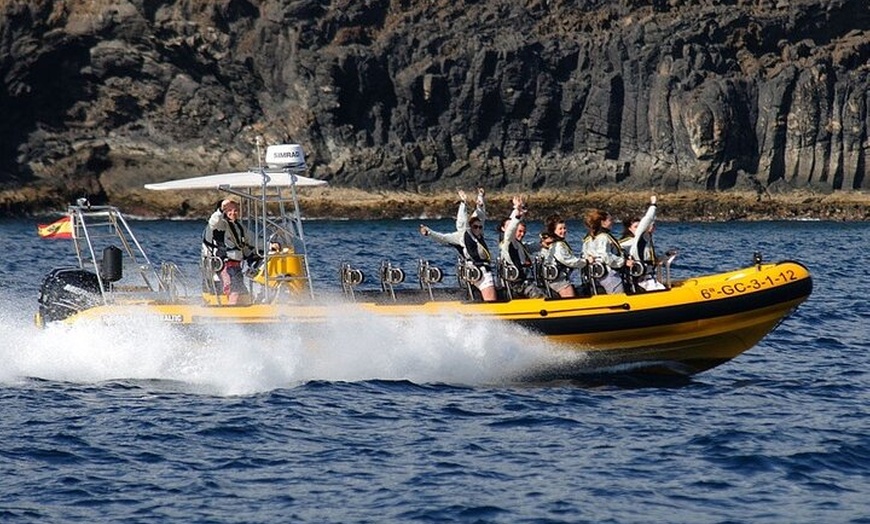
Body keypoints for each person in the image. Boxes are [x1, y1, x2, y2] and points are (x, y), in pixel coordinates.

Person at [419, 188, 497, 301]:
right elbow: (443, 237)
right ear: (470, 227)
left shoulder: (479, 232)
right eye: (475, 227)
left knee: (491, 297)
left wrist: (480, 198)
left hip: (484, 270)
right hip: (474, 272)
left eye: (480, 227)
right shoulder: (461, 235)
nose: (479, 229)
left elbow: (481, 216)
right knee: (488, 297)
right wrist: (429, 232)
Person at [202, 198, 260, 305]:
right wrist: (221, 209)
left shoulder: (238, 227)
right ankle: (229, 316)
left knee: (243, 294)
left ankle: (246, 313)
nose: (233, 213)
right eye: (229, 210)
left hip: (236, 267)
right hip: (223, 266)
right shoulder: (218, 225)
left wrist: (272, 245)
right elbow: (214, 221)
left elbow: (254, 241)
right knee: (235, 290)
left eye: (235, 210)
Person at [498, 195, 546, 299]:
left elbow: (513, 224)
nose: (522, 234)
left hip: (526, 281)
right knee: (540, 296)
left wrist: (520, 209)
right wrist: (516, 211)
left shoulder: (519, 245)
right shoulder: (507, 243)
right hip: (518, 285)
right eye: (519, 231)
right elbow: (511, 229)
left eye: (524, 232)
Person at [619, 195, 666, 292]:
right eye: (636, 227)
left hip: (648, 275)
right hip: (642, 278)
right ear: (629, 229)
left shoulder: (645, 239)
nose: (651, 227)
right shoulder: (637, 237)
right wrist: (653, 204)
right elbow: (648, 218)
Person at [582, 208, 630, 294]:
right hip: (608, 275)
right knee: (619, 298)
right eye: (610, 220)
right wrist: (624, 261)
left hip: (595, 275)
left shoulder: (588, 238)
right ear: (602, 222)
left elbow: (585, 254)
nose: (612, 222)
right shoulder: (603, 237)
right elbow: (606, 256)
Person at [540, 213, 587, 298]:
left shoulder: (554, 243)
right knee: (570, 299)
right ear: (553, 230)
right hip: (558, 281)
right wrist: (585, 262)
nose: (563, 231)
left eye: (564, 228)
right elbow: (568, 261)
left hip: (558, 278)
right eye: (560, 229)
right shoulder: (557, 245)